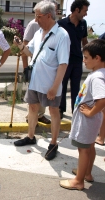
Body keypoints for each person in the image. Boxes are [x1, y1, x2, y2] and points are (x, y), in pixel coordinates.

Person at [13, 1, 70, 161]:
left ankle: (53, 143)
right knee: (32, 108)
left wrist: (55, 87)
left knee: (53, 111)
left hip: (51, 84)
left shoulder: (62, 35)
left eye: (38, 16)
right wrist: (20, 46)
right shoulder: (38, 33)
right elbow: (29, 51)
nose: (36, 20)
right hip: (35, 82)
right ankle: (30, 136)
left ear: (49, 15)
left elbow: (63, 63)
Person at [60, 39, 105, 190]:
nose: (83, 61)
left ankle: (78, 181)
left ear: (97, 58)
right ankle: (86, 173)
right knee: (89, 147)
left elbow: (102, 99)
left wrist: (91, 112)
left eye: (86, 57)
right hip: (91, 120)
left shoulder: (97, 77)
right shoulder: (99, 73)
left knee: (83, 149)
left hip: (87, 120)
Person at [22, 0, 58, 125]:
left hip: (48, 73)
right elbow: (26, 45)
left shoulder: (58, 30)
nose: (55, 13)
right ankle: (31, 119)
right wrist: (26, 67)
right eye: (54, 9)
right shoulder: (33, 25)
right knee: (33, 102)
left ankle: (39, 116)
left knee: (45, 101)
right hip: (35, 70)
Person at [58, 0, 90, 119]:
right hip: (64, 61)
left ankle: (75, 111)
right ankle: (60, 110)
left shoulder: (83, 23)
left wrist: (88, 57)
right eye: (85, 11)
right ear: (77, 10)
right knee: (62, 86)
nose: (86, 14)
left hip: (77, 61)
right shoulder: (61, 23)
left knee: (76, 88)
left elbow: (85, 42)